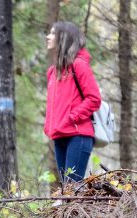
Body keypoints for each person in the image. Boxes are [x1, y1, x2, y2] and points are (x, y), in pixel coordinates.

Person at [44, 21, 101, 182]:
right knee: (66, 190)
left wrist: (72, 117)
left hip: (78, 135)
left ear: (64, 38)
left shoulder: (79, 66)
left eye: (53, 33)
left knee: (71, 189)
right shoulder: (52, 72)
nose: (48, 36)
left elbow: (94, 99)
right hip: (59, 135)